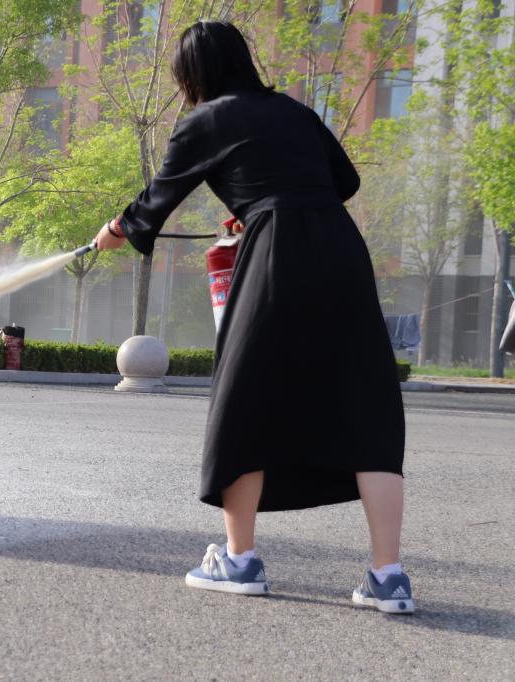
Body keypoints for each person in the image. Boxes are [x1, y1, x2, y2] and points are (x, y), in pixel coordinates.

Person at [93, 21, 413, 614]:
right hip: (341, 250)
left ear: (193, 74)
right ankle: (388, 577)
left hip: (276, 255)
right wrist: (264, 199)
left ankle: (239, 561)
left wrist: (116, 229)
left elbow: (157, 200)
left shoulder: (204, 120)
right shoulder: (294, 111)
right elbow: (345, 181)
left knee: (244, 398)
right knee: (366, 404)